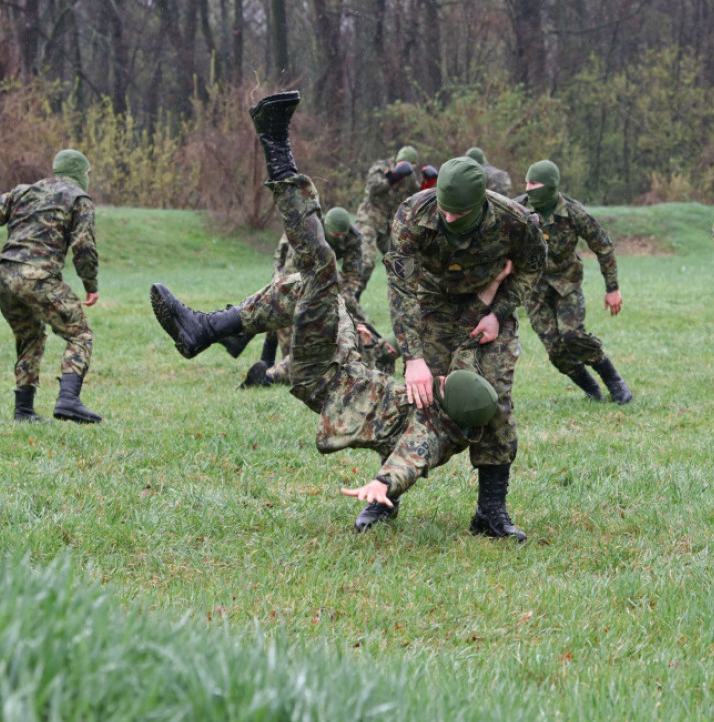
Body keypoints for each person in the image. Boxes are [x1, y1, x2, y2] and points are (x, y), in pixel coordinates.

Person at [151, 91, 521, 539]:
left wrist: (382, 486)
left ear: (446, 401)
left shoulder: (431, 432)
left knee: (319, 269)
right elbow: (461, 341)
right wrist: (494, 294)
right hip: (348, 362)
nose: (439, 378)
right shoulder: (451, 395)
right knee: (309, 286)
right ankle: (208, 329)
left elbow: (410, 458)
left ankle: (276, 148)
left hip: (323, 376)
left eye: (443, 384)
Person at [386, 153, 548, 541]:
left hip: (487, 308)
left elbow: (531, 267)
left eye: (459, 213)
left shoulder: (514, 220)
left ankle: (490, 512)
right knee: (416, 399)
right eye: (444, 209)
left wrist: (498, 312)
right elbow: (401, 289)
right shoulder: (412, 215)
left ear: (479, 203)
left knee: (492, 399)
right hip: (432, 305)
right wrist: (413, 358)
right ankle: (384, 497)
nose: (449, 217)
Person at [0, 149, 102, 424]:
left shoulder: (24, 191)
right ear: (83, 173)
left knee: (30, 335)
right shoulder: (79, 199)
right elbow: (84, 246)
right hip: (37, 276)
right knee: (80, 333)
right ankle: (69, 400)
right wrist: (90, 284)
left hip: (4, 275)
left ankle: (24, 410)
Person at [515, 159, 632, 403]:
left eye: (534, 183)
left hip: (566, 284)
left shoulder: (573, 212)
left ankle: (613, 380)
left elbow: (604, 247)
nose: (527, 188)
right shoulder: (518, 209)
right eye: (526, 182)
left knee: (572, 336)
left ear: (550, 185)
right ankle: (591, 389)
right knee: (555, 350)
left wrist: (612, 289)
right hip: (534, 288)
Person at [242, 205, 396, 388]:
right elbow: (291, 273)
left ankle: (273, 373)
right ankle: (268, 362)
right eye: (335, 235)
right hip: (296, 270)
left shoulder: (353, 238)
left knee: (312, 353)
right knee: (283, 309)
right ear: (326, 228)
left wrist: (350, 308)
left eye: (343, 235)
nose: (340, 239)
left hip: (328, 281)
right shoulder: (309, 233)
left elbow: (351, 277)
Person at [354, 145, 422, 301]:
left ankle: (406, 302)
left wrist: (429, 182)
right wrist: (393, 177)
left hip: (389, 226)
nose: (409, 168)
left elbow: (418, 197)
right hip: (369, 219)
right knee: (367, 262)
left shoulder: (410, 176)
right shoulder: (381, 167)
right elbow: (372, 190)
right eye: (405, 164)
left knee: (402, 264)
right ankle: (350, 298)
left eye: (411, 166)